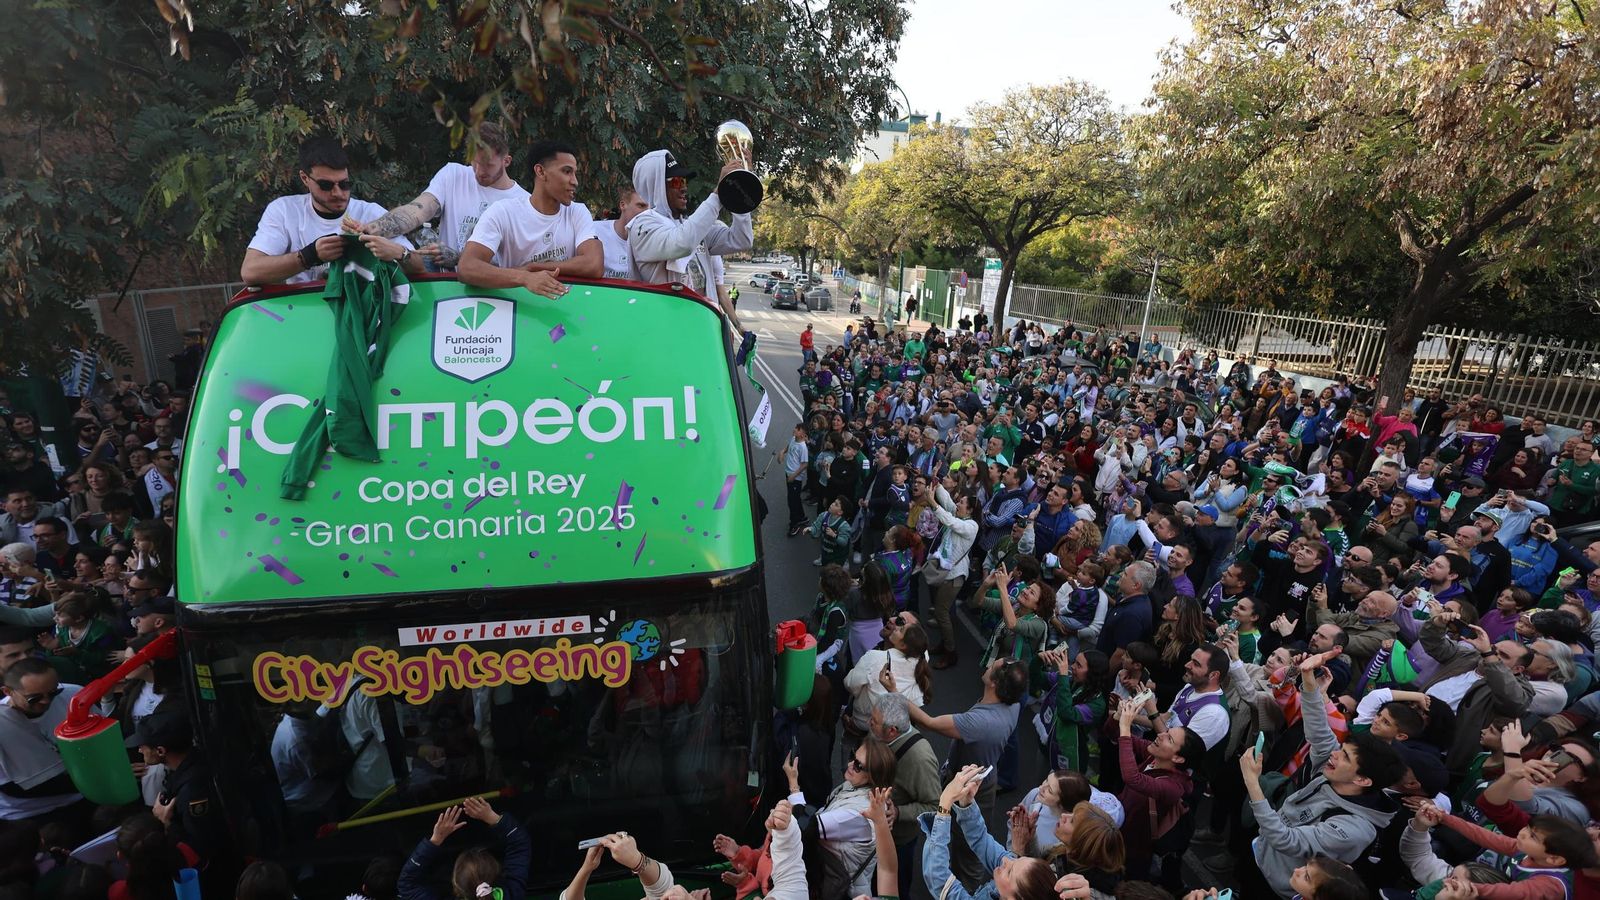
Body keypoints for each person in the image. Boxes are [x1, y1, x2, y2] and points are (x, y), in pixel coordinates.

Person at [1239, 649, 1406, 899]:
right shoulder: (1335, 771)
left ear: (1362, 780)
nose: (1335, 755)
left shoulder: (1354, 828)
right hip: (1260, 853)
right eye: (1342, 749)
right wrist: (1308, 677)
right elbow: (1318, 730)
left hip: (1278, 886)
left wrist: (1253, 783)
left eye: (1346, 757)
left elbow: (1286, 840)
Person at [240, 137, 422, 285]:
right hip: (303, 314)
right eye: (326, 185)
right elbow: (250, 272)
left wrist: (398, 252)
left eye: (344, 184)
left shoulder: (370, 213)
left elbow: (421, 265)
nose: (338, 193)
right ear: (305, 178)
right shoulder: (284, 211)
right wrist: (309, 256)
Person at [349, 123, 528, 271]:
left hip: (497, 298)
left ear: (506, 161)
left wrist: (459, 258)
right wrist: (370, 229)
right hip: (445, 291)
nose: (479, 172)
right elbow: (417, 210)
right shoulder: (453, 174)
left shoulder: (522, 203)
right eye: (474, 161)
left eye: (488, 165)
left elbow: (515, 267)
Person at [626, 148, 754, 334]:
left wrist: (737, 187)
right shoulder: (642, 226)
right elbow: (682, 244)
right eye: (677, 181)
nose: (684, 187)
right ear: (657, 186)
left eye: (684, 181)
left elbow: (741, 239)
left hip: (704, 331)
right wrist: (718, 195)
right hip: (666, 334)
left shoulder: (690, 227)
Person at [455, 139, 602, 296]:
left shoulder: (577, 212)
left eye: (575, 173)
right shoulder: (503, 212)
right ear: (540, 171)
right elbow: (467, 267)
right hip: (517, 311)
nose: (575, 181)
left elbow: (594, 264)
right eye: (567, 171)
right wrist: (524, 278)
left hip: (565, 309)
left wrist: (534, 267)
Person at [920, 763, 1058, 900]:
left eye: (1010, 872)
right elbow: (980, 840)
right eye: (1019, 859)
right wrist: (966, 801)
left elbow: (939, 879)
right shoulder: (1013, 871)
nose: (1007, 861)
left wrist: (945, 802)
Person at [781, 739, 896, 898]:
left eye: (858, 766)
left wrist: (793, 784)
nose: (849, 764)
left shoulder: (860, 813)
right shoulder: (855, 787)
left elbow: (805, 829)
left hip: (840, 891)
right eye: (852, 757)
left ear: (873, 776)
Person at [0, 657, 83, 823]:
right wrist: (95, 778)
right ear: (8, 692)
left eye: (53, 692)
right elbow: (14, 788)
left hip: (81, 796)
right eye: (34, 698)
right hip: (28, 813)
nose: (46, 700)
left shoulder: (72, 695)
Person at [397, 797, 529, 900]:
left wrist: (435, 840)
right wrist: (492, 817)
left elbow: (407, 884)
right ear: (499, 873)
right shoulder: (513, 893)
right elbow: (519, 843)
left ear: (456, 886)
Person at [591, 186, 651, 280]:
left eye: (650, 209)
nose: (647, 213)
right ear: (623, 205)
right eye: (641, 206)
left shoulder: (653, 241)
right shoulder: (595, 230)